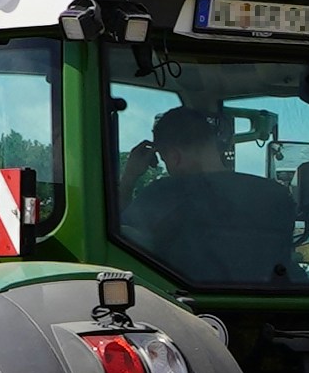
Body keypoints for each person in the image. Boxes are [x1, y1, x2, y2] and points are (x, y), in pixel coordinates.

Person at [122, 100, 299, 287]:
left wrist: (129, 178)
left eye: (165, 160)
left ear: (174, 157)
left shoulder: (164, 193)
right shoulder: (275, 195)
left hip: (186, 307)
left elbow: (119, 235)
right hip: (271, 307)